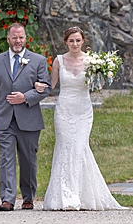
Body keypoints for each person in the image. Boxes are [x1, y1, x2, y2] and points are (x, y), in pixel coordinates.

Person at [40, 26, 125, 211]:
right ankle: (64, 196)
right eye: (71, 41)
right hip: (64, 110)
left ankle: (82, 195)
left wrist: (103, 72)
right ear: (66, 42)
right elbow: (50, 85)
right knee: (64, 148)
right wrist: (37, 86)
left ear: (83, 41)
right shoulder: (59, 61)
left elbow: (98, 87)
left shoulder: (91, 61)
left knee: (79, 148)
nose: (75, 44)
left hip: (83, 111)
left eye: (78, 40)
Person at [0, 22, 51, 211]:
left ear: (25, 39)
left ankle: (28, 197)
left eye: (21, 37)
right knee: (5, 158)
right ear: (8, 39)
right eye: (14, 37)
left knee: (28, 160)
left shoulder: (38, 61)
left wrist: (25, 97)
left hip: (29, 118)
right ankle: (7, 199)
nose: (18, 41)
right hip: (4, 119)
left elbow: (46, 88)